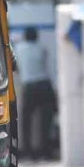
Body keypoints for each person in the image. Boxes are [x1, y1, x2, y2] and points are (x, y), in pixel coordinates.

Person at [14, 27, 56, 159]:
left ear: (25, 37)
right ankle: (46, 151)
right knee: (46, 120)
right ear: (36, 37)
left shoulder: (18, 48)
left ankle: (28, 152)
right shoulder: (42, 48)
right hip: (45, 84)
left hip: (29, 85)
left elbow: (17, 67)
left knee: (26, 120)